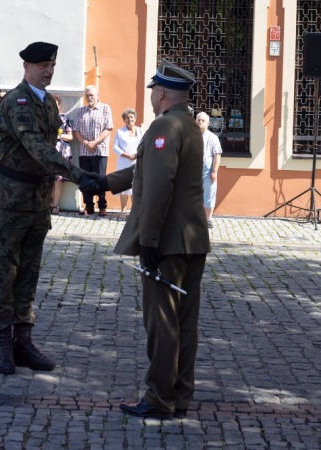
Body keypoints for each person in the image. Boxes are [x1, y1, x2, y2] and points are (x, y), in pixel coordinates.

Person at [79, 59, 210, 420]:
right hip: (193, 240)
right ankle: (180, 395)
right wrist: (105, 183)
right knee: (185, 323)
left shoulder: (163, 125)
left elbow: (157, 187)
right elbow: (146, 169)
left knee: (162, 323)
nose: (151, 94)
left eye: (154, 89)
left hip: (167, 243)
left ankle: (159, 398)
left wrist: (149, 242)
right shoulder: (188, 126)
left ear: (163, 93)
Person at [0, 41, 100, 375]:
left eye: (51, 65)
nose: (48, 71)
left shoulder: (48, 103)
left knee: (29, 274)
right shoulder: (17, 101)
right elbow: (37, 147)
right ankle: (3, 345)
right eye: (42, 66)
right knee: (5, 273)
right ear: (27, 67)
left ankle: (24, 341)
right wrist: (78, 174)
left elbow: (51, 148)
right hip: (9, 203)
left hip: (36, 203)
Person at [72, 85, 113, 216]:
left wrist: (95, 142)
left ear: (97, 95)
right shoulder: (81, 111)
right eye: (88, 95)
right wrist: (86, 143)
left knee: (101, 179)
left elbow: (108, 128)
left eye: (92, 95)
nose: (90, 97)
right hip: (84, 151)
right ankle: (89, 205)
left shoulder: (105, 108)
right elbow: (76, 130)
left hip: (100, 150)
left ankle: (102, 206)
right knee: (85, 179)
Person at [112, 108, 143, 220]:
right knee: (124, 186)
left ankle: (135, 211)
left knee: (136, 186)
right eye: (127, 118)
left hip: (137, 162)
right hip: (124, 162)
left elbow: (145, 144)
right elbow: (115, 147)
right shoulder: (119, 132)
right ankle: (123, 210)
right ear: (124, 120)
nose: (130, 119)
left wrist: (137, 154)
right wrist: (127, 155)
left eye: (131, 117)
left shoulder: (141, 131)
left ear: (135, 118)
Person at [196, 112, 223, 228]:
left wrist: (214, 171)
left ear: (208, 123)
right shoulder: (191, 136)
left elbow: (217, 155)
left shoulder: (213, 137)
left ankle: (208, 219)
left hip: (208, 170)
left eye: (203, 120)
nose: (200, 122)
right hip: (193, 170)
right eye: (198, 120)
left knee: (210, 193)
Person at [50, 94, 72, 215]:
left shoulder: (63, 118)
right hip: (45, 152)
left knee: (58, 179)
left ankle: (55, 206)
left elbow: (70, 136)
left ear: (59, 105)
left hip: (61, 152)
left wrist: (58, 136)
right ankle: (45, 204)